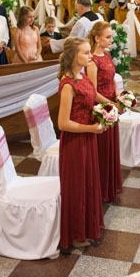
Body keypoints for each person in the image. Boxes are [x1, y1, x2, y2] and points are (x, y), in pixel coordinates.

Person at [57, 37, 114, 250]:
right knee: (77, 187)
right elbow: (63, 123)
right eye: (86, 53)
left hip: (88, 139)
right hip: (75, 143)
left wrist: (112, 105)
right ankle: (75, 233)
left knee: (88, 183)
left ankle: (86, 228)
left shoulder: (83, 76)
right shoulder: (68, 85)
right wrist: (91, 129)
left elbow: (93, 94)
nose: (90, 56)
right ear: (74, 56)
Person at [86, 21, 123, 202]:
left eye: (111, 37)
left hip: (112, 104)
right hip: (102, 109)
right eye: (108, 37)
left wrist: (119, 97)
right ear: (97, 38)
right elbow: (93, 92)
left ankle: (110, 185)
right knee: (103, 149)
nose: (111, 40)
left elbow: (112, 79)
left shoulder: (107, 54)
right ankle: (100, 189)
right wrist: (111, 104)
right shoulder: (92, 61)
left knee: (111, 147)